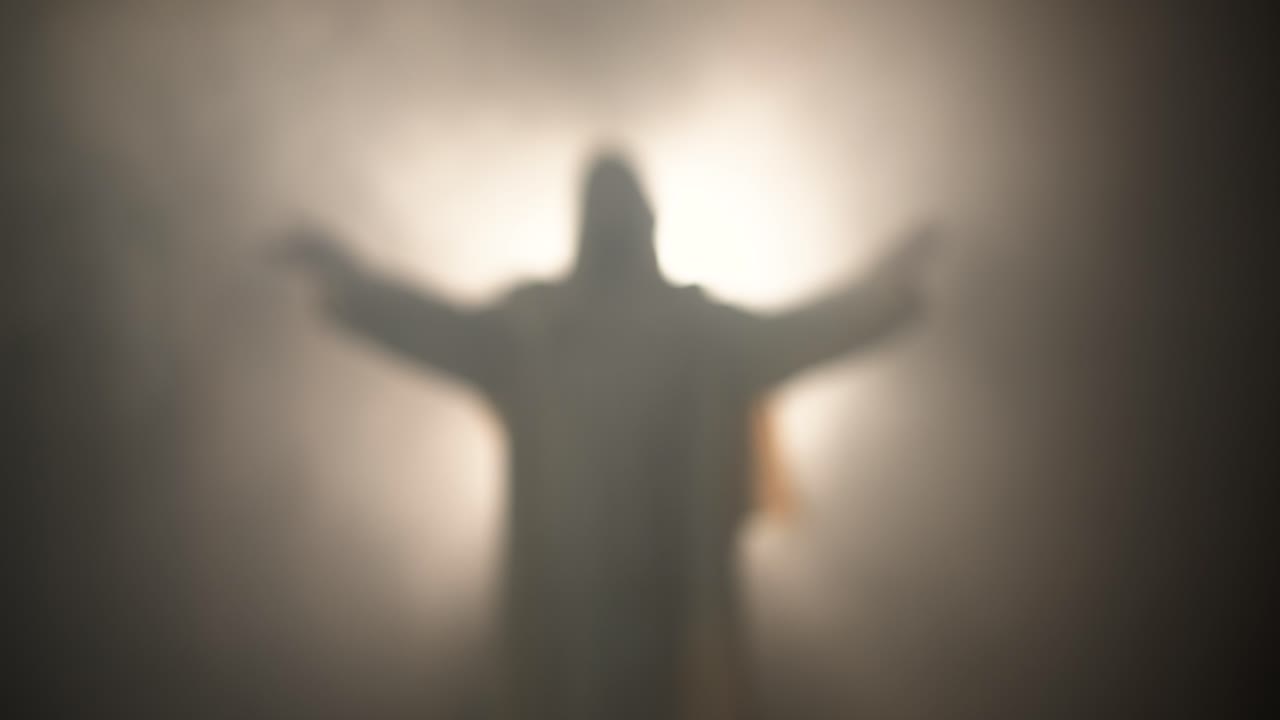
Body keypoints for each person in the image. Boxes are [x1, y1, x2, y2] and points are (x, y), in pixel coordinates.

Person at [278, 150, 936, 720]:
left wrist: (884, 288)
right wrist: (350, 281)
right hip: (564, 604)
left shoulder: (699, 333)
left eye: (623, 198)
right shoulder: (535, 330)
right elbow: (432, 326)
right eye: (601, 199)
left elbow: (802, 331)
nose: (612, 215)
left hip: (673, 600)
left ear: (649, 214)